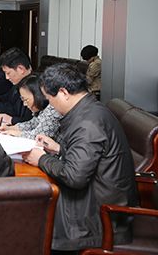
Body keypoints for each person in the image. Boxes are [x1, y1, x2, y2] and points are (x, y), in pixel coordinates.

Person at [23, 64, 137, 252]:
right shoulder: (90, 110)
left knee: (34, 208)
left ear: (63, 92)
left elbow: (75, 177)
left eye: (50, 99)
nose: (50, 105)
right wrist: (58, 149)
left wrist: (41, 159)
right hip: (98, 197)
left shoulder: (87, 123)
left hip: (101, 215)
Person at [0, 74, 62, 141]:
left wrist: (14, 133)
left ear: (38, 95)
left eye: (26, 100)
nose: (25, 104)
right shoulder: (42, 110)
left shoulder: (53, 109)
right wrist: (9, 128)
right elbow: (31, 124)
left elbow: (39, 136)